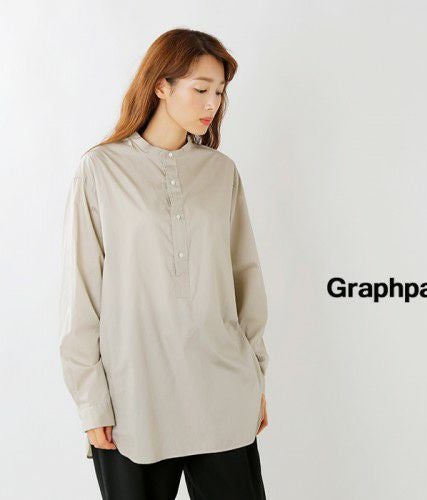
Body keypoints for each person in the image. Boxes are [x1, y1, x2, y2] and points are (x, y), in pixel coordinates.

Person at [58, 28, 269, 499]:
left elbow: (246, 277)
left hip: (222, 389)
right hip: (135, 397)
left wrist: (255, 376)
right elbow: (81, 295)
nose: (212, 103)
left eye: (219, 92)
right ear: (161, 86)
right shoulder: (101, 169)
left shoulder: (220, 172)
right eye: (201, 89)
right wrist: (92, 403)